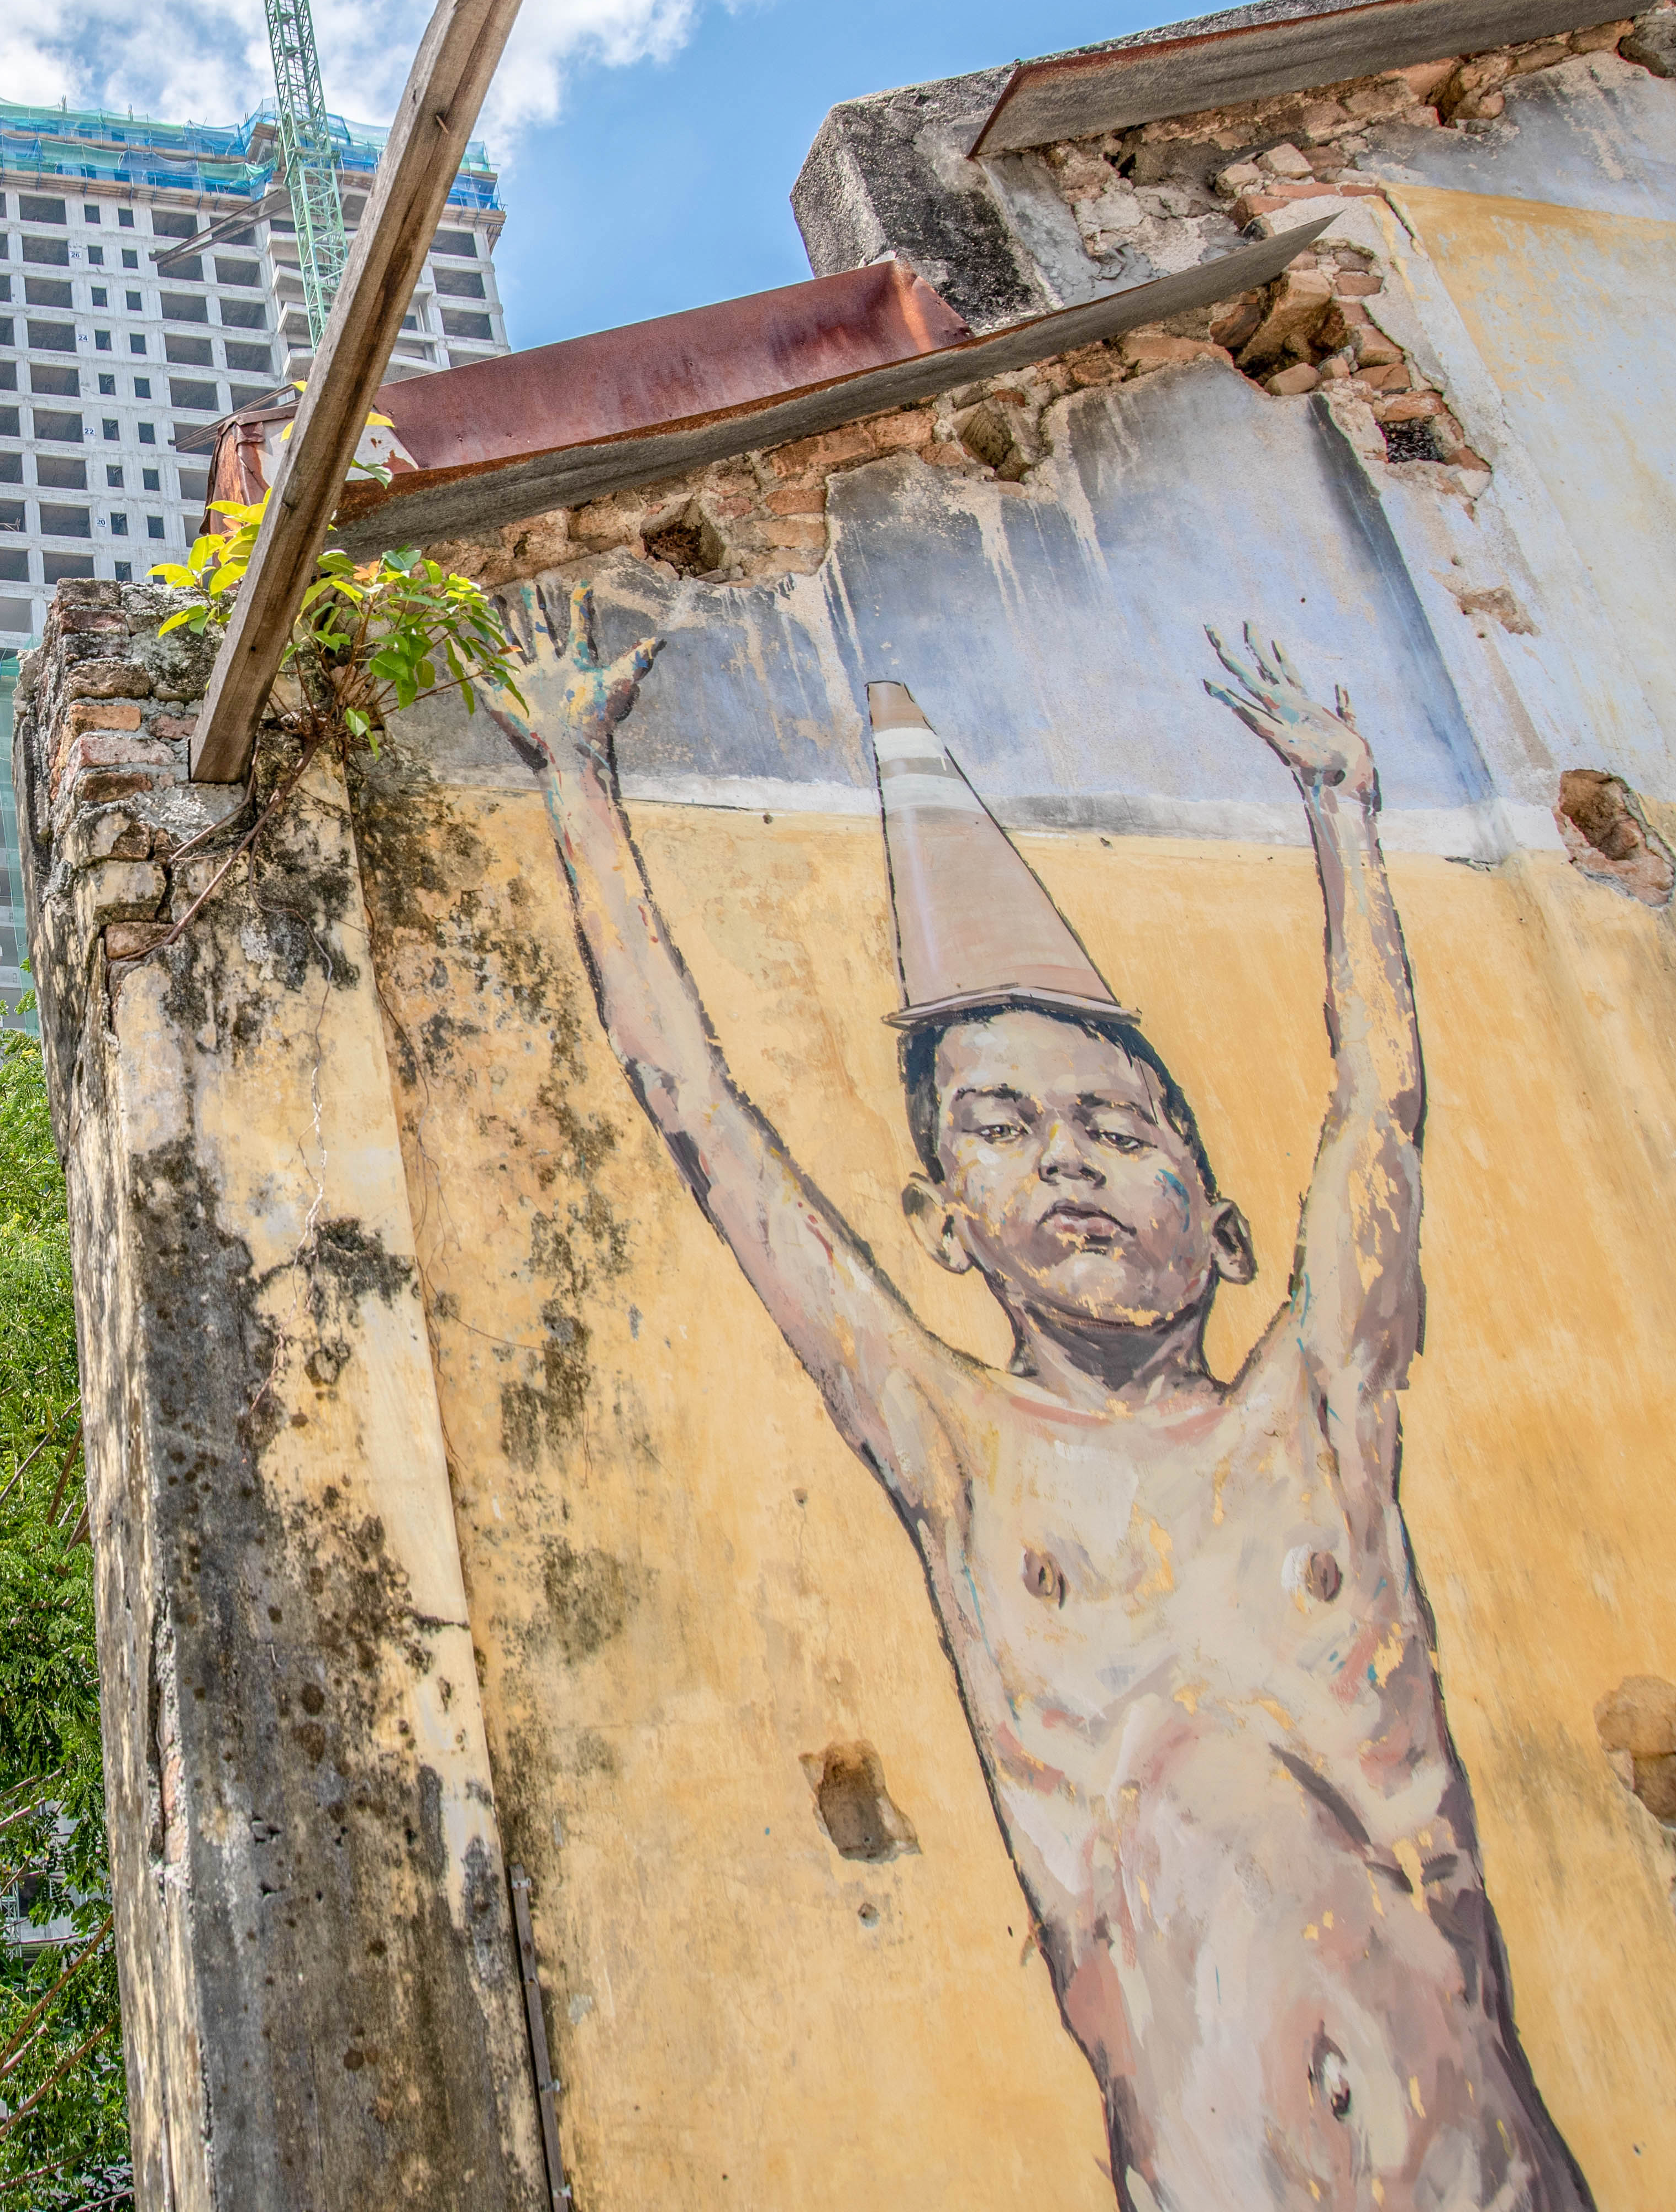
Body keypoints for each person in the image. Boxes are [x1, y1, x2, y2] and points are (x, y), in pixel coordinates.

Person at [483, 587, 1589, 2212]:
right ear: (943, 1226)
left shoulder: (1319, 1415)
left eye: (1123, 1128)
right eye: (1001, 1126)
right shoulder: (958, 1449)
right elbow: (701, 1117)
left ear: (1220, 1227)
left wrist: (1345, 807)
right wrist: (576, 774)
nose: (1068, 1154)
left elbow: (1381, 1108)